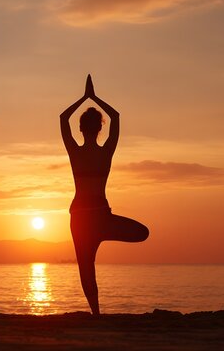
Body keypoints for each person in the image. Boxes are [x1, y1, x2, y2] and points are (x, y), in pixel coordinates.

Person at [60, 75, 149, 316]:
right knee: (143, 233)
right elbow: (116, 117)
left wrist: (84, 98)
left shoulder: (74, 151)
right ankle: (96, 314)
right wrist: (95, 98)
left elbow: (62, 118)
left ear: (81, 128)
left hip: (86, 217)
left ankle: (96, 313)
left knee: (86, 267)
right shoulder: (106, 151)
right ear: (101, 128)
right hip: (97, 216)